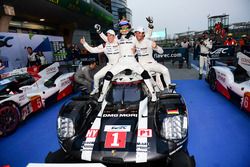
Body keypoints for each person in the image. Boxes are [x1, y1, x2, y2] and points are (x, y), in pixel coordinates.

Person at [96, 18, 157, 102]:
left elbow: (147, 35)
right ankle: (102, 96)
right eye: (122, 28)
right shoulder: (117, 37)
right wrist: (99, 31)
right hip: (121, 61)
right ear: (120, 28)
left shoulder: (134, 37)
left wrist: (150, 24)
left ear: (128, 28)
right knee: (108, 75)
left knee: (145, 74)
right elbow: (107, 39)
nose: (124, 30)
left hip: (132, 60)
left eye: (126, 27)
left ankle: (153, 95)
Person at [80, 29, 120, 95]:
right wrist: (84, 43)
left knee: (114, 80)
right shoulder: (104, 45)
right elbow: (92, 50)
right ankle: (96, 89)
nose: (109, 37)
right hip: (110, 65)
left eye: (110, 35)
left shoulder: (118, 43)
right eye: (108, 35)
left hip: (119, 66)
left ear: (114, 36)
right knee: (96, 76)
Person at [134, 26, 171, 91]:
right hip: (142, 65)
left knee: (165, 70)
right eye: (138, 33)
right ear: (135, 33)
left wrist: (156, 47)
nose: (140, 34)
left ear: (143, 34)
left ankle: (170, 90)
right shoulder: (133, 42)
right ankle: (155, 87)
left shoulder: (148, 42)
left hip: (152, 63)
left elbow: (161, 51)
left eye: (142, 33)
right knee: (146, 73)